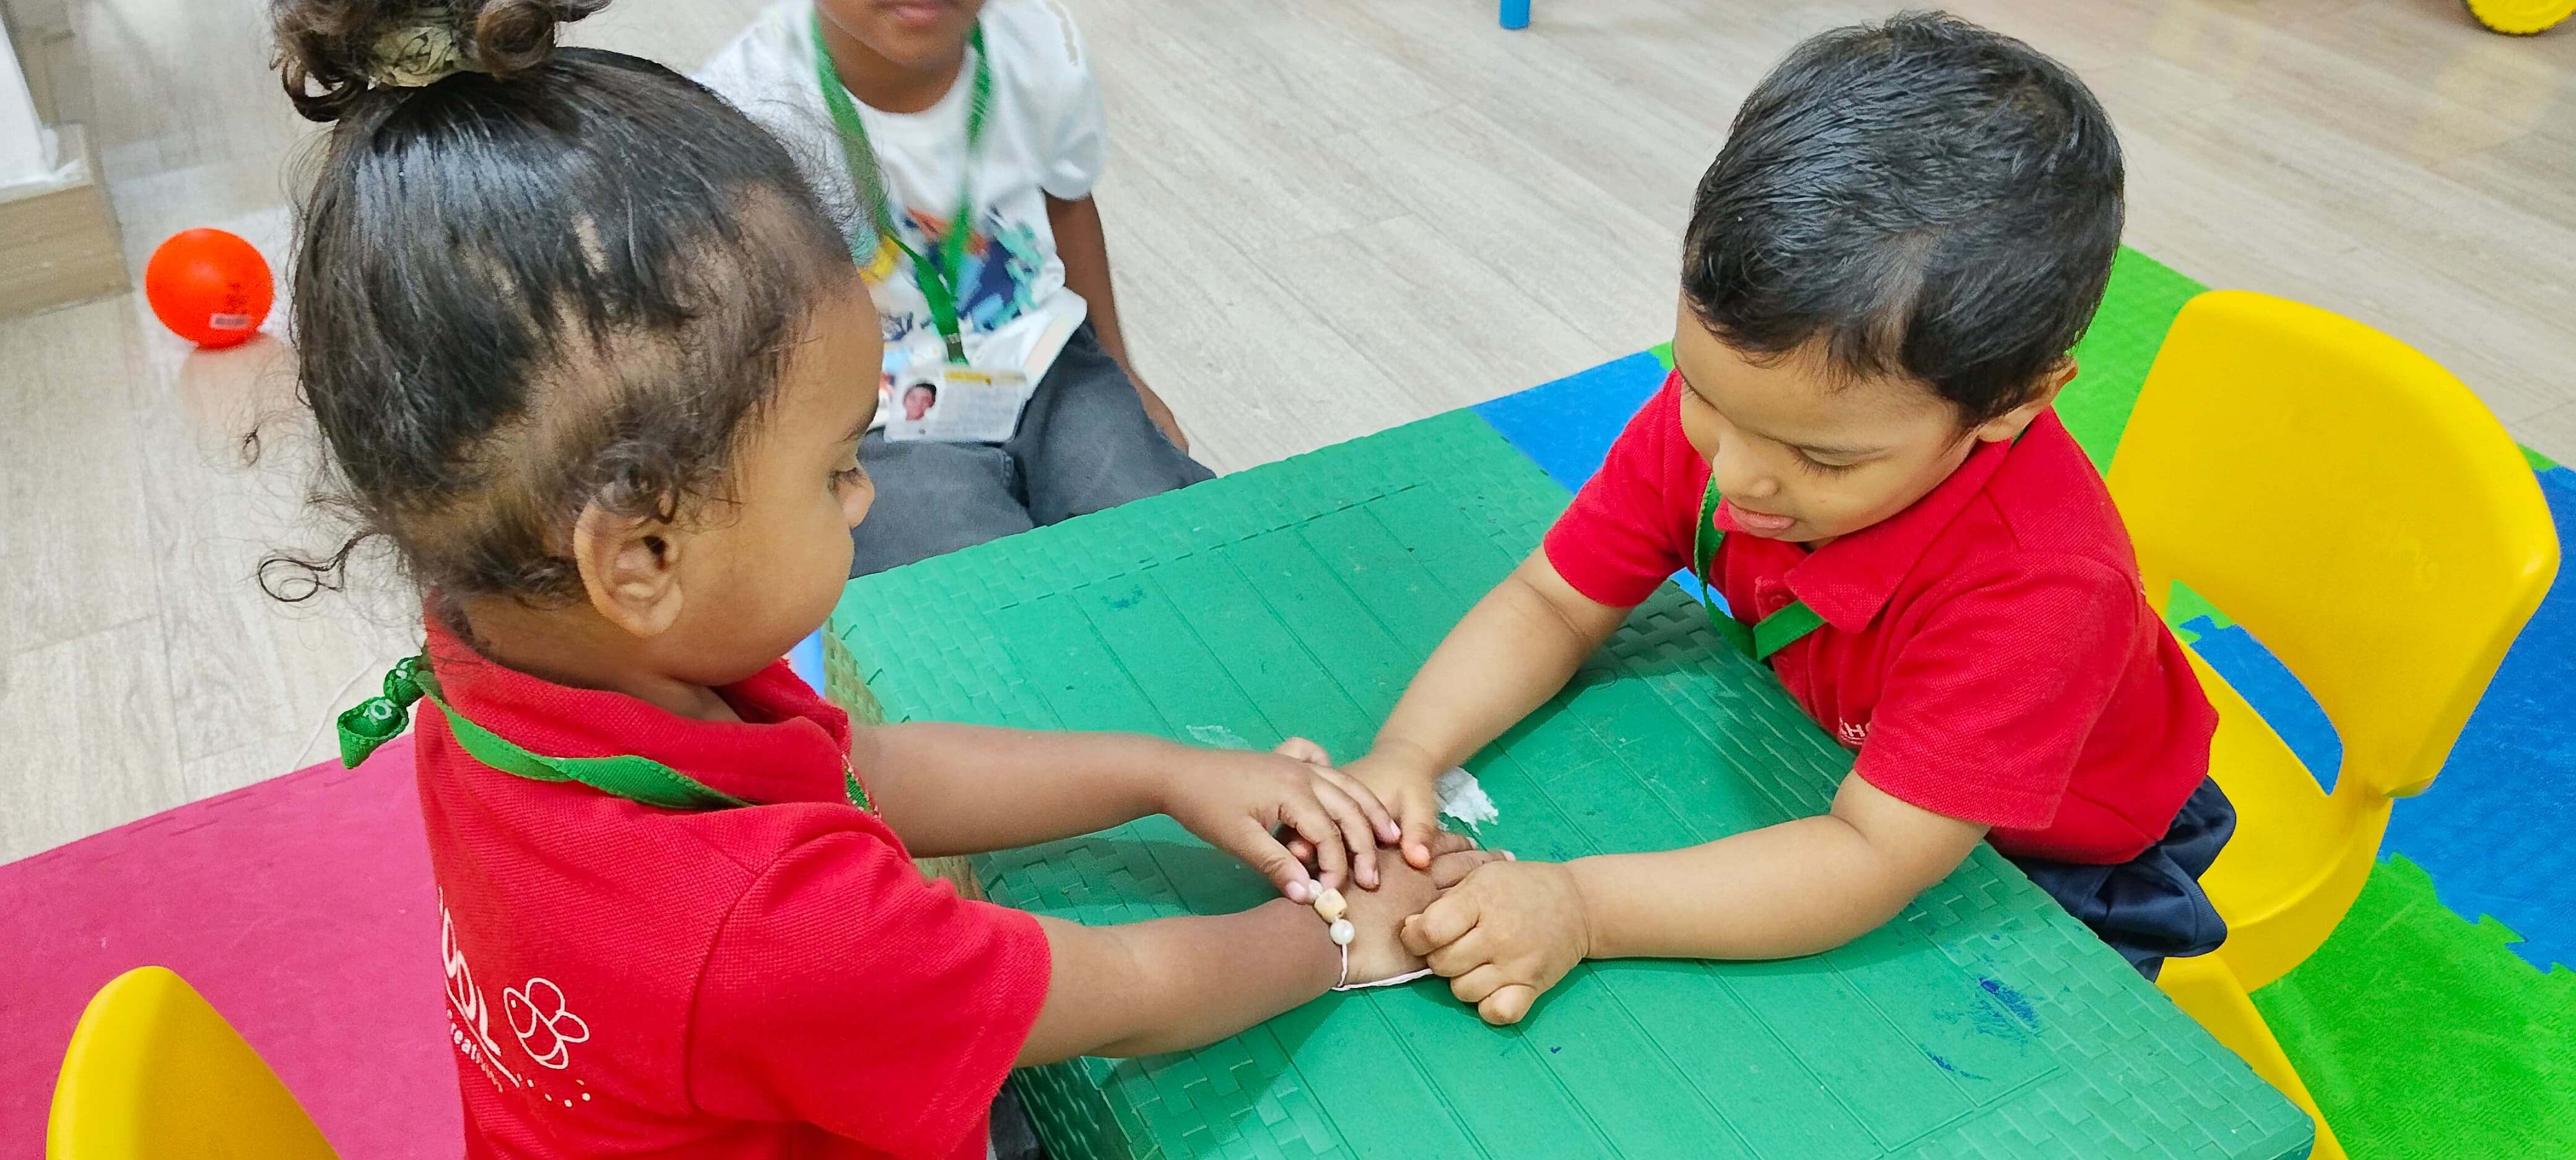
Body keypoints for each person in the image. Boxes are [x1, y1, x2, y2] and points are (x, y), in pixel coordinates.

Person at [267, 4, 1496, 1156]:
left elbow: (856, 768)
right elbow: (1121, 994)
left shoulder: (517, 654)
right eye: (840, 466)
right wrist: (1334, 934)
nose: (865, 494)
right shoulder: (764, 932)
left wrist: (1161, 772)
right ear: (639, 553)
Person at [1339, 13, 2228, 1025]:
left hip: (2067, 854)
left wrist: (1582, 904)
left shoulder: (2039, 587)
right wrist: (1406, 755)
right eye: (1701, 394)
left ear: (2014, 401)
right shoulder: (1751, 410)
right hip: (1856, 759)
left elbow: (1870, 857)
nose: (1740, 478)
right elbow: (1551, 598)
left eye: (1823, 457)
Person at [697, 0, 1212, 576]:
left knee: (1167, 541)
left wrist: (1124, 369)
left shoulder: (1040, 44)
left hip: (1046, 361)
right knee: (967, 581)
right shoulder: (742, 110)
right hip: (871, 412)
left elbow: (1067, 200)